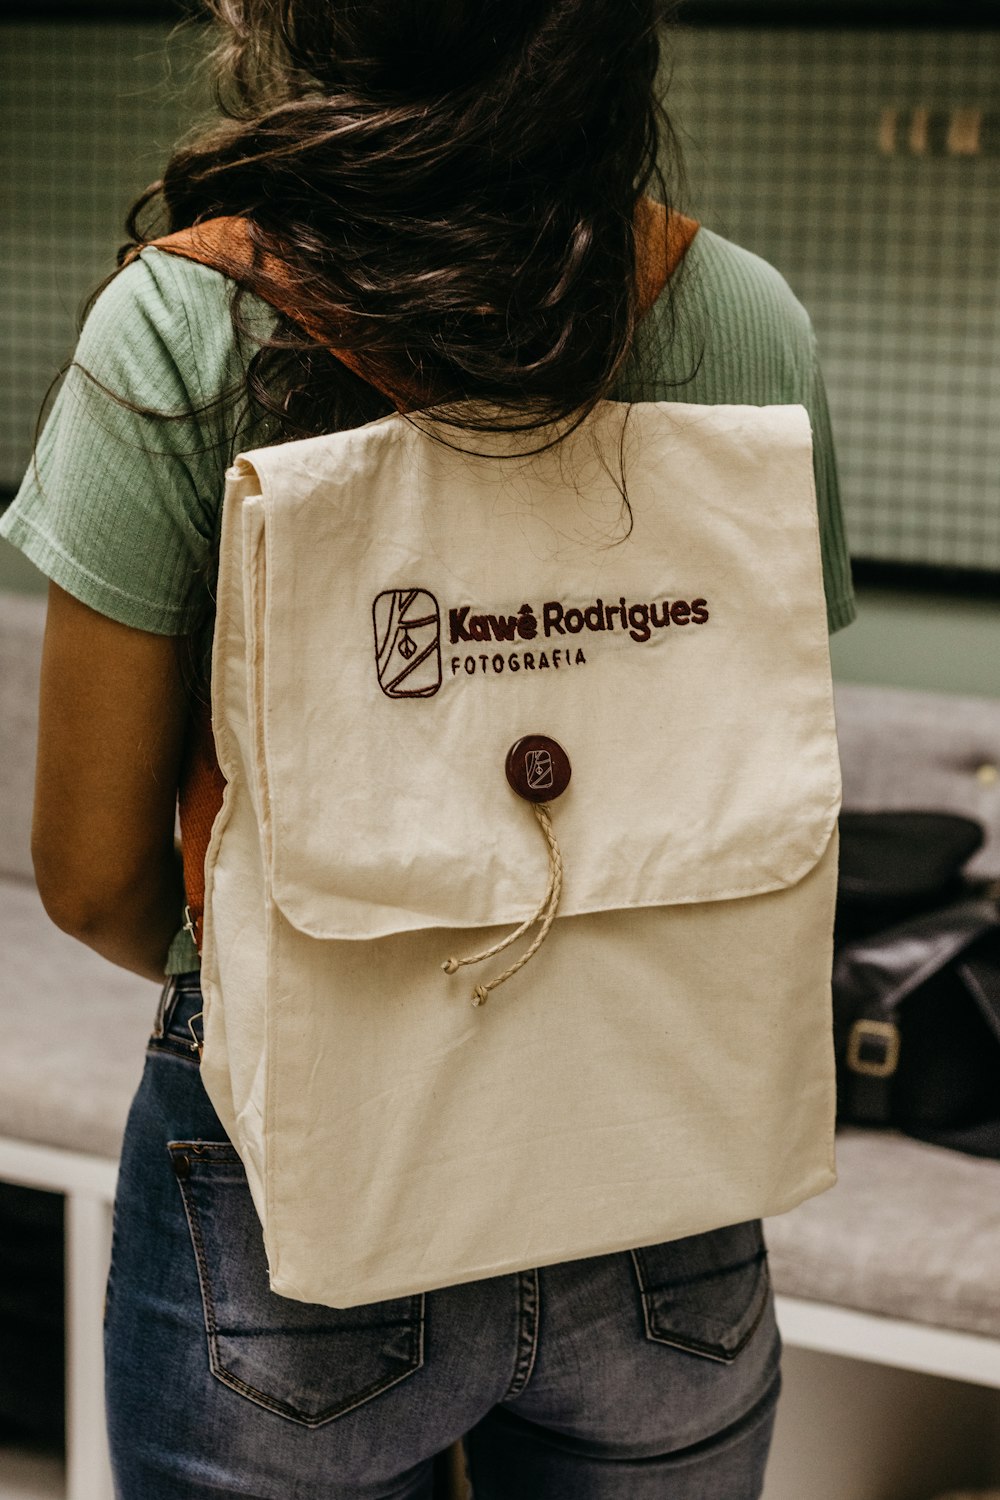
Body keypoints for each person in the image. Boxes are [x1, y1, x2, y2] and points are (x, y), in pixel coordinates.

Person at [1, 2, 854, 1495]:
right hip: (666, 1182)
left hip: (294, 1221)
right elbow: (741, 773)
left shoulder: (182, 324)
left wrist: (335, 964)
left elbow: (85, 875)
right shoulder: (744, 317)